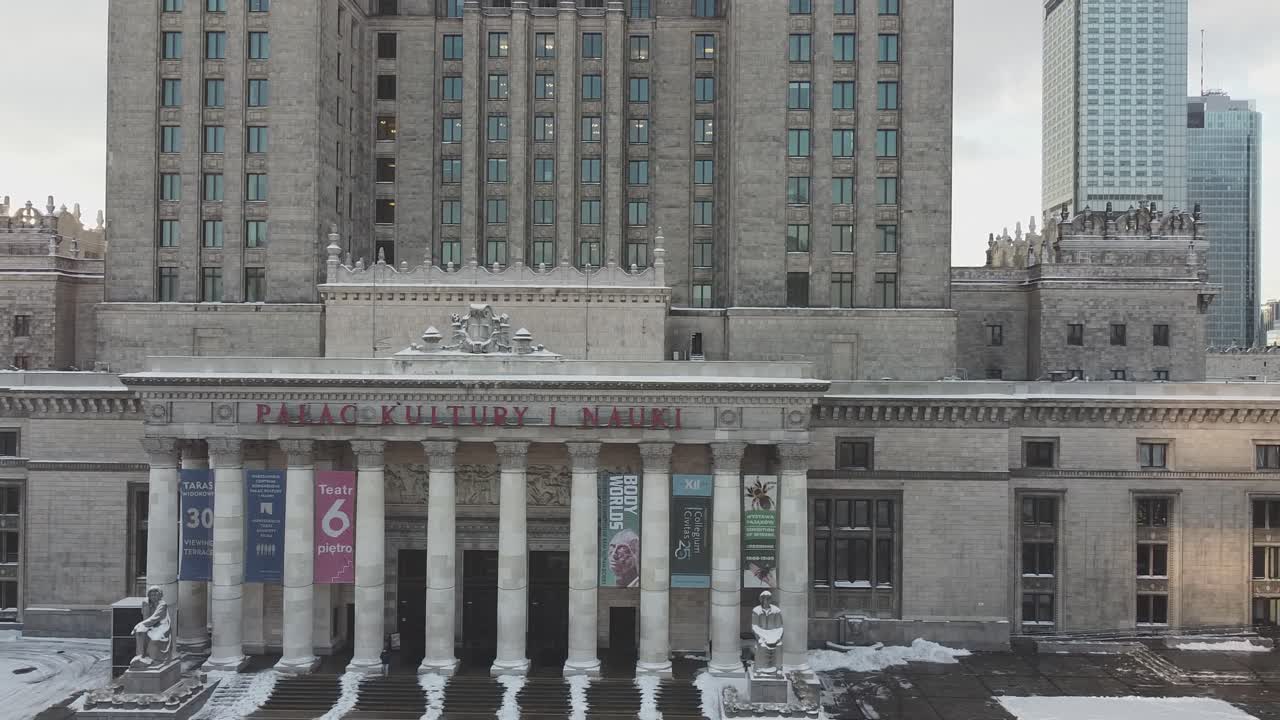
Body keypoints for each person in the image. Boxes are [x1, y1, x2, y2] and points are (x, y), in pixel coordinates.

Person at [132, 586, 173, 666]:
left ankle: (155, 658)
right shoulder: (148, 603)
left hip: (162, 626)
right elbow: (146, 618)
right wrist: (146, 605)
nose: (153, 597)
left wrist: (140, 624)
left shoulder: (162, 605)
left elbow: (155, 618)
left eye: (155, 595)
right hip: (152, 625)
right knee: (140, 631)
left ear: (160, 596)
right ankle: (141, 655)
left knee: (154, 638)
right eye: (151, 595)